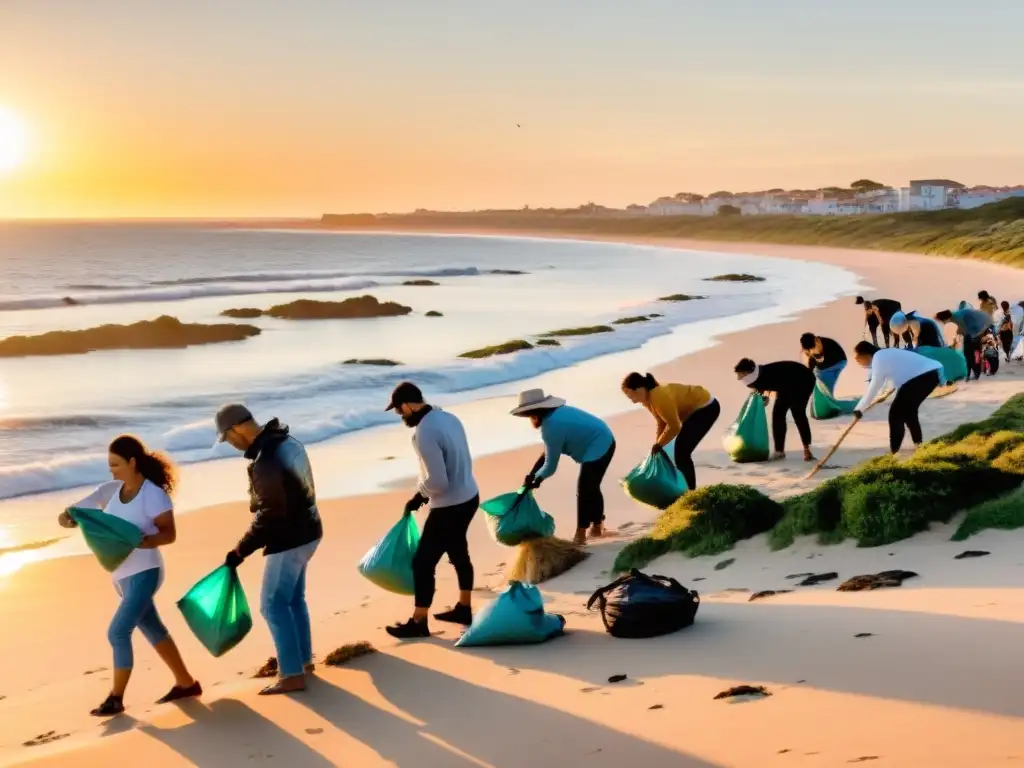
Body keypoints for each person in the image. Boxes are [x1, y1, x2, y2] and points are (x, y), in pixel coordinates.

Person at [58, 435, 200, 717]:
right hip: (120, 575)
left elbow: (169, 534)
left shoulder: (153, 494)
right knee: (153, 628)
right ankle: (186, 683)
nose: (112, 470)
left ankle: (115, 698)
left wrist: (138, 541)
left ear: (132, 462)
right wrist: (69, 517)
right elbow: (71, 514)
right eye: (110, 465)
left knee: (118, 631)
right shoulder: (110, 490)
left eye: (116, 464)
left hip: (145, 572)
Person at [217, 404, 322, 695]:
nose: (231, 445)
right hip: (310, 530)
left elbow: (271, 514)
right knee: (293, 600)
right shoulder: (287, 441)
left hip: (289, 539)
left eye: (228, 438)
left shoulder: (267, 459)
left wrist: (240, 550)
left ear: (237, 429)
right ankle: (302, 662)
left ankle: (291, 675)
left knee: (273, 605)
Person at [383, 382, 480, 640]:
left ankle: (419, 621)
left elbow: (438, 482)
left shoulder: (424, 432)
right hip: (470, 495)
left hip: (450, 505)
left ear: (406, 405)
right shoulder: (447, 417)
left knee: (423, 563)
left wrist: (419, 496)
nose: (400, 416)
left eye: (398, 411)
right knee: (459, 551)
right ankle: (464, 607)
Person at [511, 388, 615, 546]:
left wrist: (537, 480)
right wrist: (532, 475)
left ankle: (580, 534)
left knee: (585, 488)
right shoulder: (556, 414)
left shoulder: (551, 426)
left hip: (599, 444)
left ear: (534, 413)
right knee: (592, 486)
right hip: (606, 437)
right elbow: (546, 454)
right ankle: (597, 527)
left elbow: (550, 466)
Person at [621, 372, 720, 492]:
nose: (633, 402)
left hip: (706, 408)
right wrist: (658, 444)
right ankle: (688, 491)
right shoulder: (649, 400)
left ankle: (690, 493)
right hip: (695, 411)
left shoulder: (659, 397)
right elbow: (661, 423)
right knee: (680, 451)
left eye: (632, 396)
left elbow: (674, 426)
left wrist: (659, 444)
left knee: (682, 452)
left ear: (640, 389)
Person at [851, 342, 944, 454]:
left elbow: (875, 385)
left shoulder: (878, 357)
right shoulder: (885, 355)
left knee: (895, 414)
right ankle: (919, 445)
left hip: (922, 377)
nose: (858, 361)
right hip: (930, 375)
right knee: (909, 412)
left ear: (865, 354)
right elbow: (898, 380)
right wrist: (884, 396)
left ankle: (894, 452)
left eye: (858, 358)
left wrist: (860, 408)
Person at [734, 358, 816, 461]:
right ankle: (787, 450)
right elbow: (768, 386)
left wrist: (767, 395)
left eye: (740, 375)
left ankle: (797, 450)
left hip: (803, 380)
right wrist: (765, 396)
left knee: (795, 413)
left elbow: (775, 384)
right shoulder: (758, 374)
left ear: (747, 373)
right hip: (789, 380)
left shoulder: (762, 377)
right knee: (784, 414)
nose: (738, 378)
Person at [936, 306, 991, 381]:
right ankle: (974, 373)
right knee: (973, 356)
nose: (943, 323)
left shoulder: (956, 318)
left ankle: (974, 374)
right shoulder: (956, 316)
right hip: (974, 336)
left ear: (945, 318)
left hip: (972, 337)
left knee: (970, 356)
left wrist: (956, 339)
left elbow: (964, 329)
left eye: (943, 321)